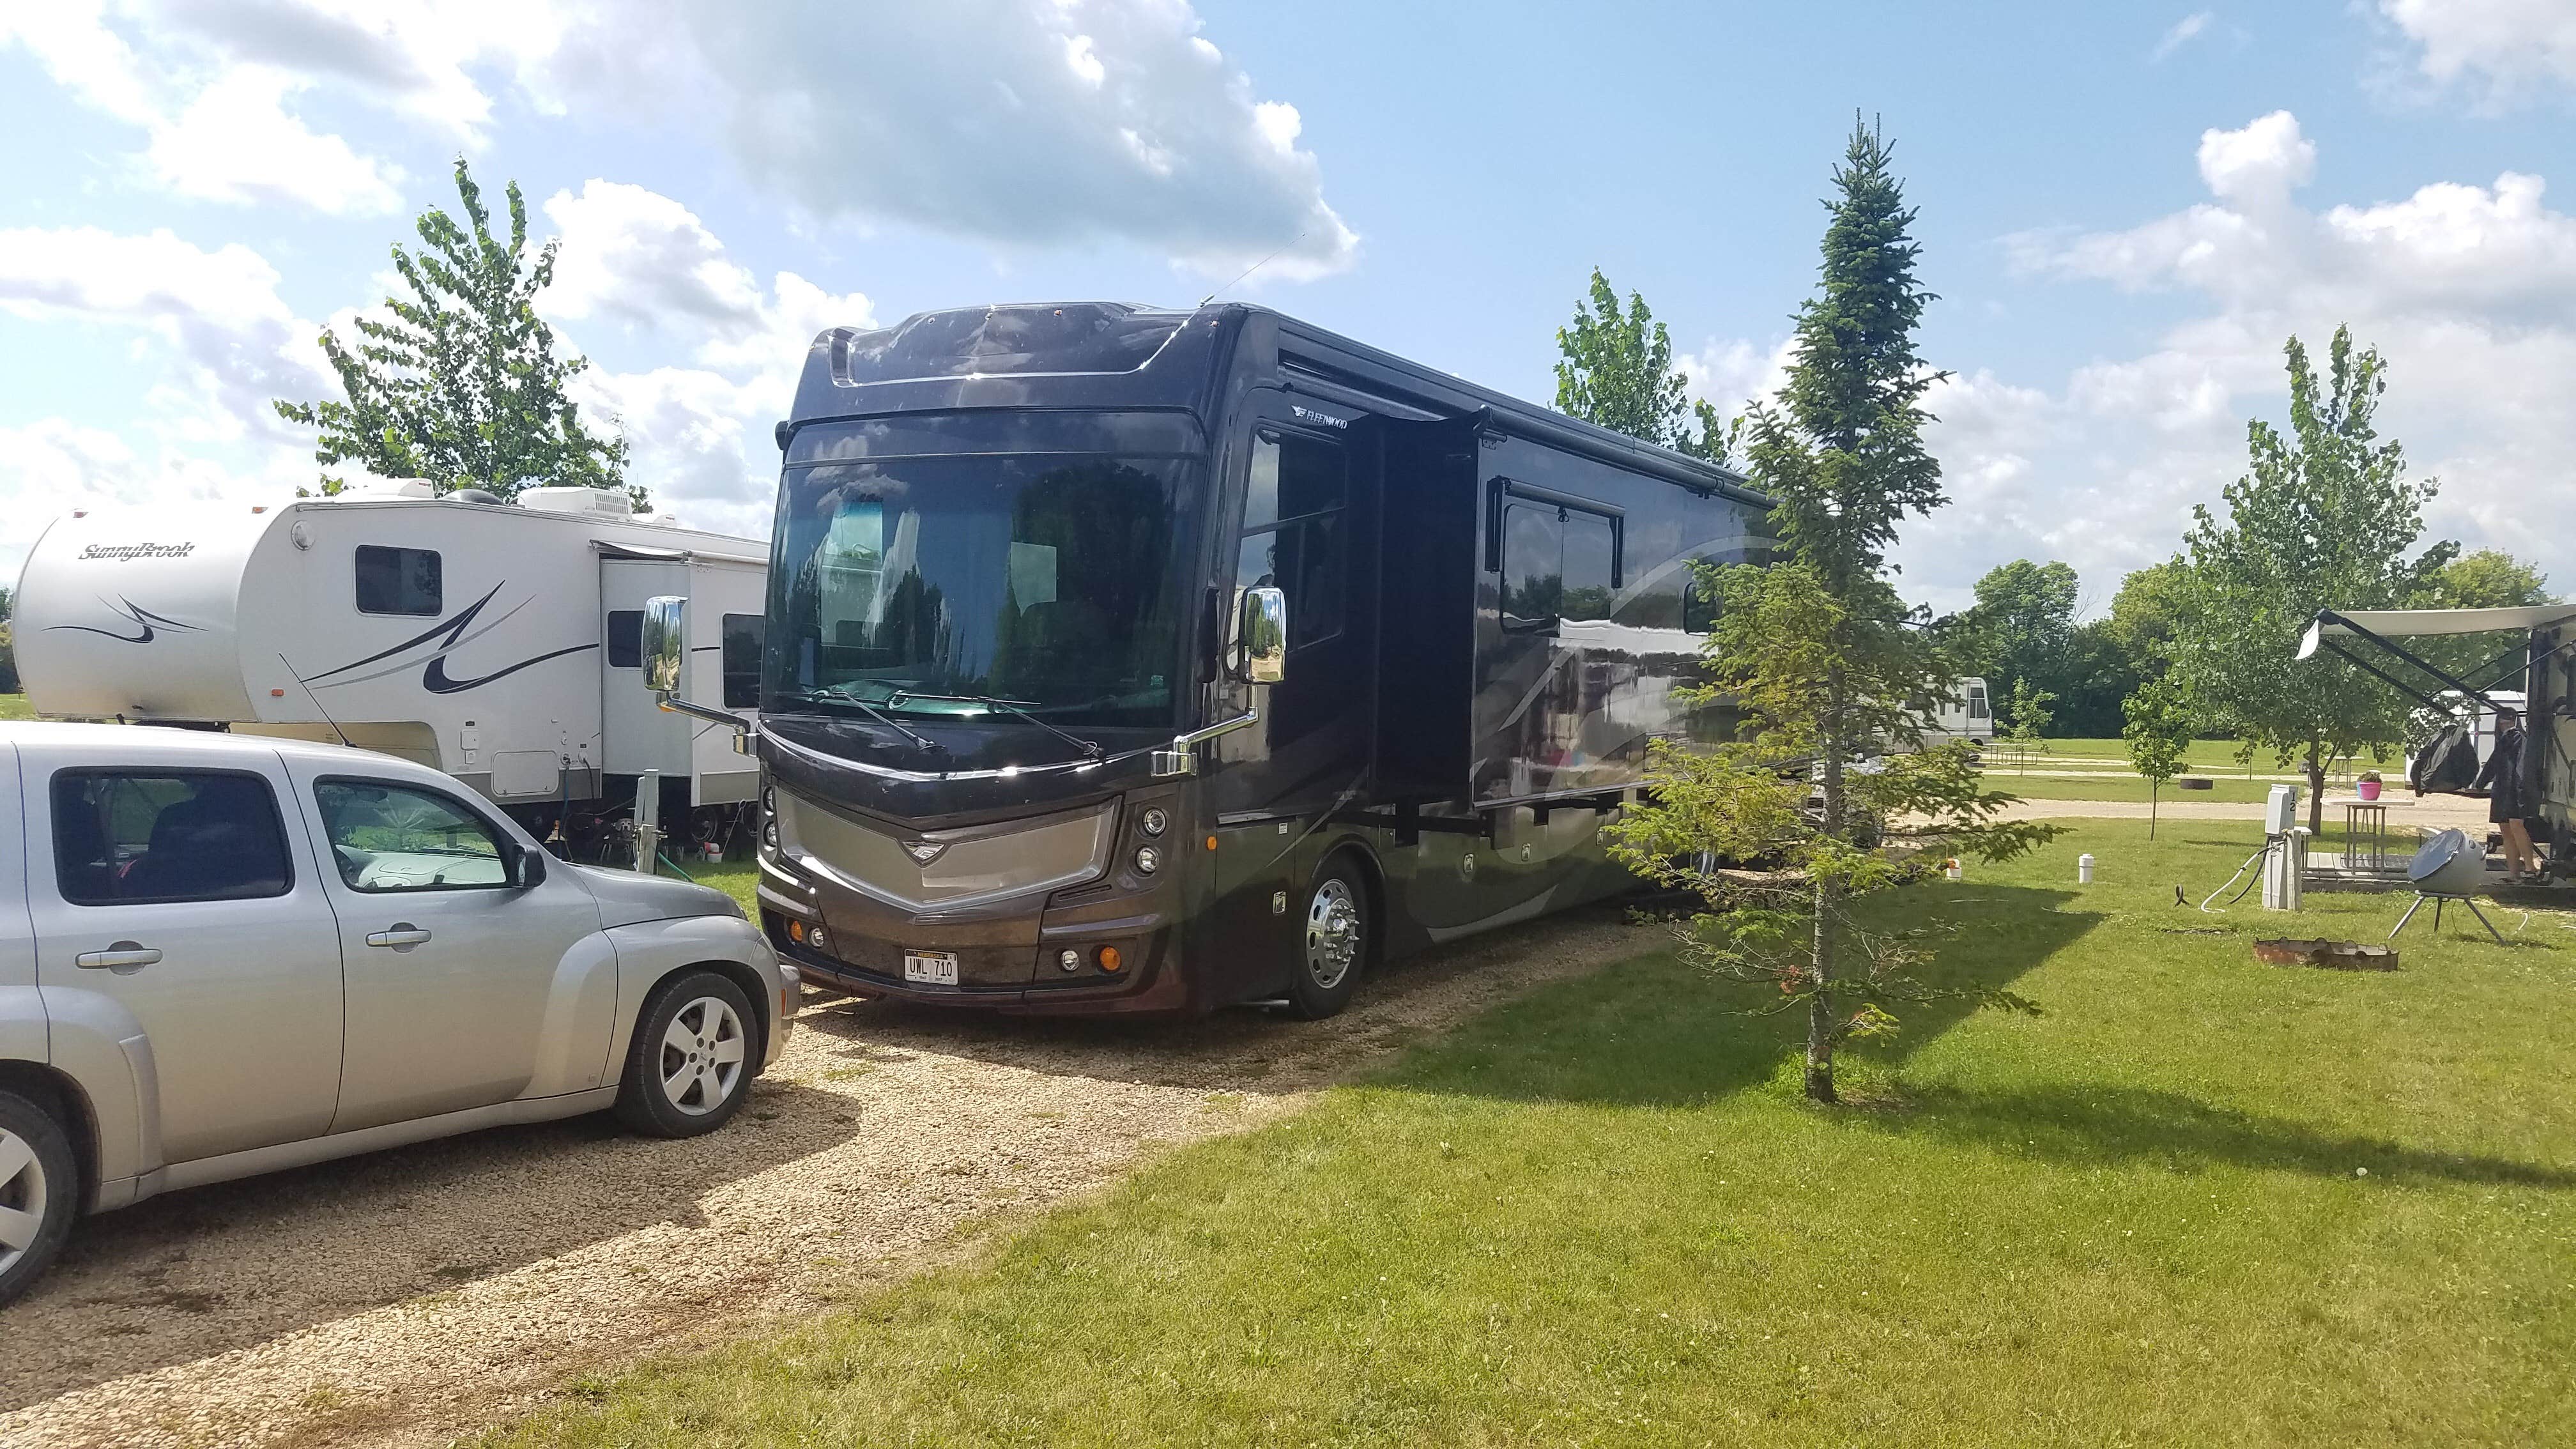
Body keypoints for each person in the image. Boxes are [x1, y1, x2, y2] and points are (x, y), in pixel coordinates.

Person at [2472, 707, 2543, 883]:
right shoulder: (2505, 739)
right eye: (2502, 722)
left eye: (2506, 722)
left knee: (2516, 825)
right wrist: (2480, 783)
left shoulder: (2519, 737)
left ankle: (2530, 866)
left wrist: (2520, 789)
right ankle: (2514, 873)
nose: (2504, 725)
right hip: (2503, 789)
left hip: (2515, 789)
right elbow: (2494, 762)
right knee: (2505, 829)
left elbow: (2521, 766)